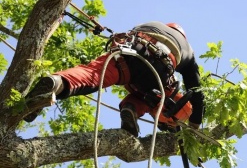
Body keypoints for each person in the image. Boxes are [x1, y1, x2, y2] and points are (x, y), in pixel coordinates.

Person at [24, 21, 205, 137]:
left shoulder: (152, 24)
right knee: (161, 97)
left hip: (129, 52)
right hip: (158, 70)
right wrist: (195, 124)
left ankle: (56, 83)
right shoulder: (187, 49)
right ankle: (131, 109)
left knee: (92, 75)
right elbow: (197, 91)